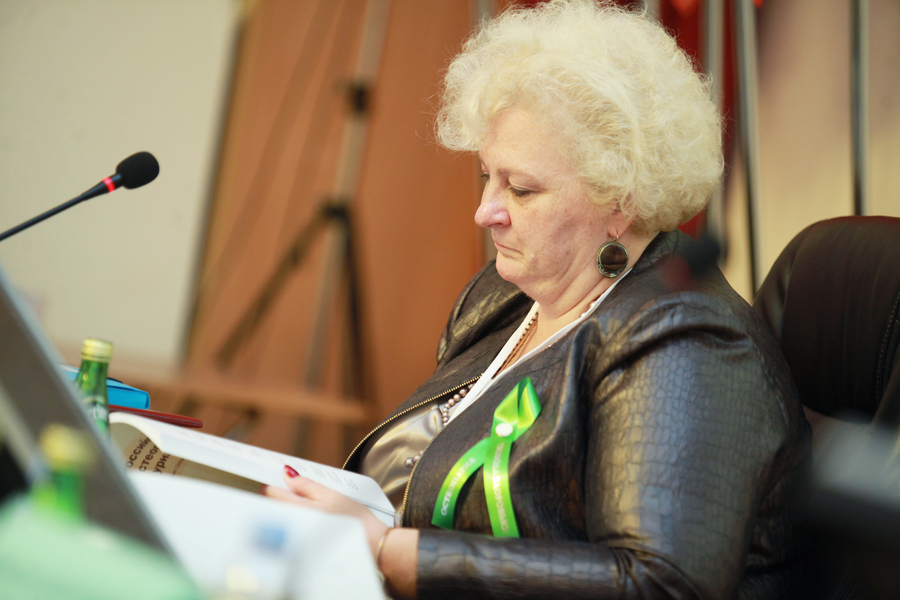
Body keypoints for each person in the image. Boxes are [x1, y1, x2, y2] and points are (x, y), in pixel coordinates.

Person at [265, 1, 810, 598]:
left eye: (521, 190)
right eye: (487, 177)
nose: (485, 213)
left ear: (619, 201)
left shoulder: (687, 342)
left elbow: (658, 583)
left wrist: (387, 550)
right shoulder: (501, 295)